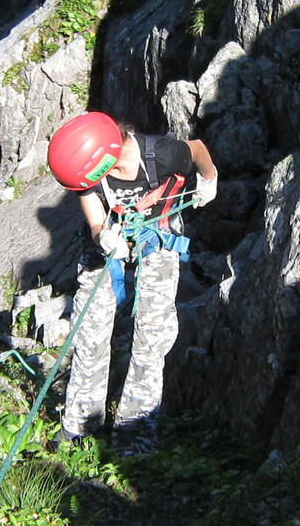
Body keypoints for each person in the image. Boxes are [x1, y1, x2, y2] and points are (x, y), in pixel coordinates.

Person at [47, 113, 218, 453]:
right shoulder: (89, 175)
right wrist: (102, 235)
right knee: (89, 332)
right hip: (111, 239)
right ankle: (81, 421)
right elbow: (94, 215)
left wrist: (209, 178)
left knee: (151, 336)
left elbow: (198, 150)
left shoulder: (164, 154)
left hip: (158, 235)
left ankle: (135, 429)